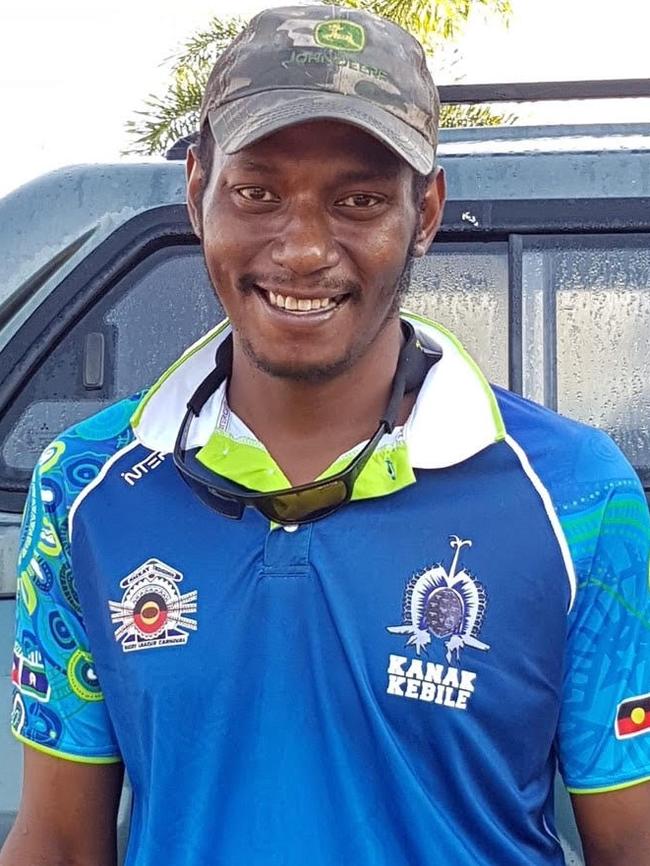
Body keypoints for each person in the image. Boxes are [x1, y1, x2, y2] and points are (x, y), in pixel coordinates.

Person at [2, 5, 650, 865]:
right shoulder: (82, 489)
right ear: (199, 194)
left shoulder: (578, 496)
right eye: (258, 192)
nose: (304, 249)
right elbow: (58, 843)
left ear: (424, 214)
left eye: (360, 200)